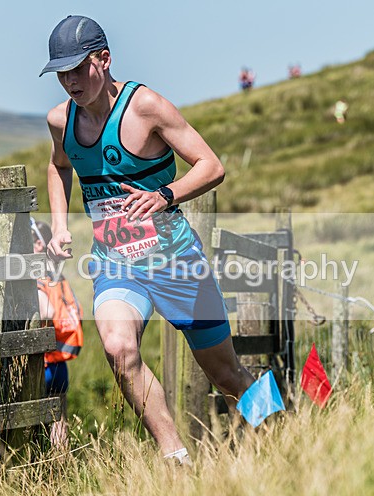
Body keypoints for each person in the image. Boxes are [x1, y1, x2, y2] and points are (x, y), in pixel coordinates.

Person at [40, 15, 257, 465]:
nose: (71, 82)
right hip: (116, 264)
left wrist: (164, 195)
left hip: (176, 261)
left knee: (227, 375)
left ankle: (282, 427)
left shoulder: (147, 107)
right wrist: (60, 225)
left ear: (104, 59)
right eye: (61, 73)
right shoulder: (60, 120)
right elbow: (59, 166)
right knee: (118, 348)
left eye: (78, 69)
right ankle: (176, 461)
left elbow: (211, 166)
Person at [0, 218, 83, 449]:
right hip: (58, 362)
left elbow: (46, 311)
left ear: (37, 244)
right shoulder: (55, 275)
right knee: (59, 424)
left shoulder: (36, 277)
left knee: (24, 425)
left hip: (40, 362)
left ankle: (32, 465)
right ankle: (62, 464)